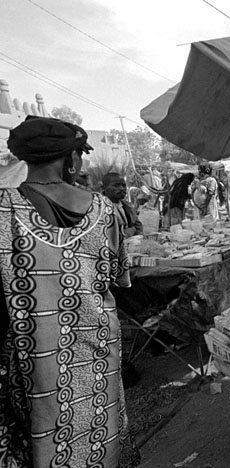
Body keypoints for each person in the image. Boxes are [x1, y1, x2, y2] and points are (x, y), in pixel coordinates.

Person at [0, 116, 138, 467]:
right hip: (96, 346)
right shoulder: (104, 209)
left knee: (45, 439)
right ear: (71, 160)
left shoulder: (3, 210)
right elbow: (118, 276)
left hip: (35, 353)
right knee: (101, 429)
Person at [102, 172, 143, 238]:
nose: (122, 188)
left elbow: (138, 226)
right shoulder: (99, 208)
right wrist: (131, 230)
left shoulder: (127, 206)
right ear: (104, 187)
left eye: (123, 185)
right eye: (116, 185)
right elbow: (107, 235)